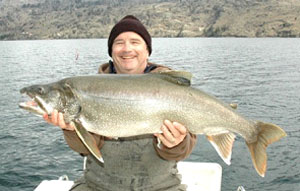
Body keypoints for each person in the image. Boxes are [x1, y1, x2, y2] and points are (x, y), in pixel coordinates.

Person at [44, 15, 197, 191]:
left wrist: (175, 143)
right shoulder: (85, 91)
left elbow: (182, 151)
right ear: (111, 51)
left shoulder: (174, 91)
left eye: (135, 41)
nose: (127, 49)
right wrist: (70, 129)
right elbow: (85, 149)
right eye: (119, 43)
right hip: (97, 186)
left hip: (162, 187)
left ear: (147, 50)